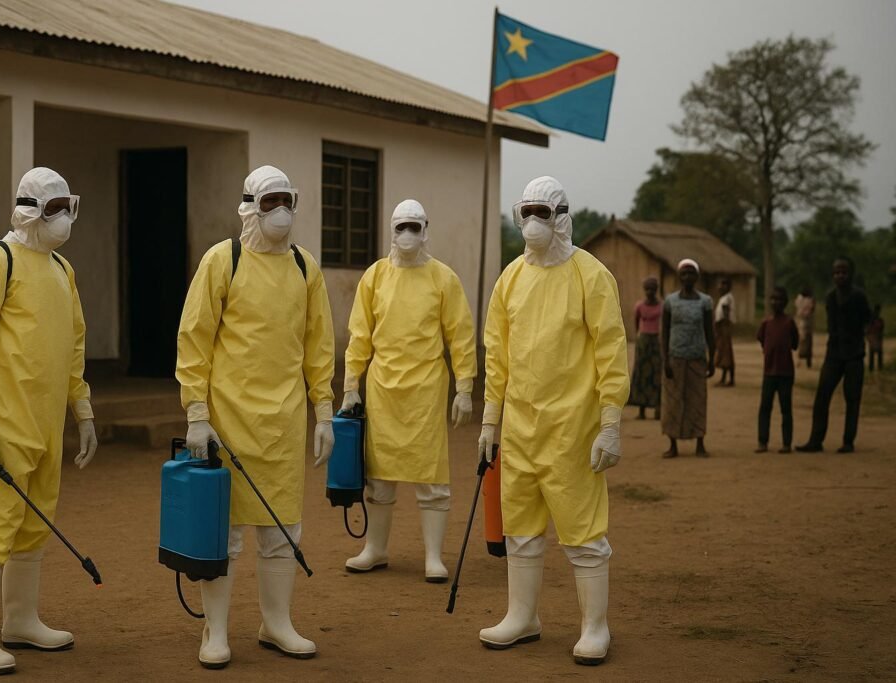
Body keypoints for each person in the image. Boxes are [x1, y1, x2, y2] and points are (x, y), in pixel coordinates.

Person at [176, 166, 335, 667]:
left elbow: (319, 345)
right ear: (249, 206)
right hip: (227, 419)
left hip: (284, 421)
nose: (280, 210)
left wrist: (324, 409)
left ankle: (276, 623)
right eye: (270, 201)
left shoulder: (305, 268)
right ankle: (215, 631)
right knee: (222, 531)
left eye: (287, 199)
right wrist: (197, 413)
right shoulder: (225, 260)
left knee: (282, 528)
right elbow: (194, 338)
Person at [0, 167, 98, 675]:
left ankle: (20, 620)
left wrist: (83, 408)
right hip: (2, 425)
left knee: (34, 524)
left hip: (46, 424)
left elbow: (73, 343)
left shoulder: (60, 268)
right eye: (53, 209)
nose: (63, 219)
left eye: (68, 208)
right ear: (30, 210)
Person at [477, 176, 628, 666]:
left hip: (574, 429)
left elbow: (610, 350)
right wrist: (489, 421)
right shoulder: (510, 279)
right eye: (526, 212)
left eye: (543, 212)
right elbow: (496, 355)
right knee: (519, 526)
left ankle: (595, 626)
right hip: (520, 429)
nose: (533, 222)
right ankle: (522, 616)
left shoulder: (591, 275)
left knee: (582, 530)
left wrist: (610, 421)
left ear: (562, 216)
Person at [341, 199, 476, 583]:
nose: (407, 235)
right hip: (382, 388)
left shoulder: (443, 278)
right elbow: (359, 334)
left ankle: (433, 556)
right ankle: (375, 548)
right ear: (391, 230)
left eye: (414, 227)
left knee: (430, 473)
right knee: (379, 473)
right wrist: (351, 385)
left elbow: (461, 335)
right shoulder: (375, 277)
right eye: (401, 227)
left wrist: (464, 386)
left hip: (427, 389)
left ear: (425, 230)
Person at [796, 258, 872, 453]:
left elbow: (868, 320)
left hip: (854, 354)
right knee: (822, 395)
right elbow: (831, 326)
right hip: (834, 354)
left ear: (850, 274)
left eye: (843, 272)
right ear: (832, 275)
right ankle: (816, 440)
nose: (840, 275)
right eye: (836, 272)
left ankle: (848, 441)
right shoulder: (830, 297)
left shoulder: (858, 296)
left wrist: (860, 338)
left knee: (852, 398)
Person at [660, 258, 715, 458]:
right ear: (679, 276)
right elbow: (664, 332)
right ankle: (672, 444)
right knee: (673, 401)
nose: (688, 277)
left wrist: (712, 358)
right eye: (684, 273)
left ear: (697, 277)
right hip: (675, 358)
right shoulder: (670, 301)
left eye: (691, 273)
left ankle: (700, 442)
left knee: (698, 400)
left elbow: (710, 331)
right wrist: (665, 359)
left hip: (697, 357)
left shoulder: (705, 301)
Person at [755, 287, 799, 453]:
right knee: (765, 407)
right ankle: (762, 441)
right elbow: (761, 339)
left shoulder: (789, 322)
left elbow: (795, 344)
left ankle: (786, 443)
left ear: (785, 302)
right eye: (773, 299)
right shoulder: (766, 323)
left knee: (785, 408)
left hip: (786, 373)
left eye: (780, 299)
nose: (776, 302)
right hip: (769, 373)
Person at [627, 277, 662, 419]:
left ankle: (657, 409)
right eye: (647, 289)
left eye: (652, 289)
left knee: (657, 374)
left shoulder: (662, 306)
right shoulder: (639, 306)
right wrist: (639, 336)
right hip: (643, 342)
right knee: (641, 374)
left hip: (656, 341)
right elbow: (636, 322)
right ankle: (641, 410)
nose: (650, 292)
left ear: (656, 290)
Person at [714, 277, 735, 386]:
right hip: (722, 327)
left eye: (723, 285)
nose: (720, 287)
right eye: (720, 285)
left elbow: (726, 314)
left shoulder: (726, 298)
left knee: (726, 354)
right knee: (726, 353)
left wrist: (724, 329)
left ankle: (728, 379)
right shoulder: (724, 298)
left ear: (728, 287)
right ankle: (727, 378)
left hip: (724, 327)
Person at [794, 287, 816, 368]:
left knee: (800, 341)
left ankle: (799, 360)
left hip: (799, 320)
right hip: (806, 321)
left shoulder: (798, 299)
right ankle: (806, 361)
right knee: (807, 342)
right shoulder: (809, 300)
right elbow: (811, 309)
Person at [867, 304, 884, 372]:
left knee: (875, 353)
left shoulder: (878, 319)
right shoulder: (876, 319)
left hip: (876, 337)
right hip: (874, 337)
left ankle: (875, 368)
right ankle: (876, 368)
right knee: (874, 353)